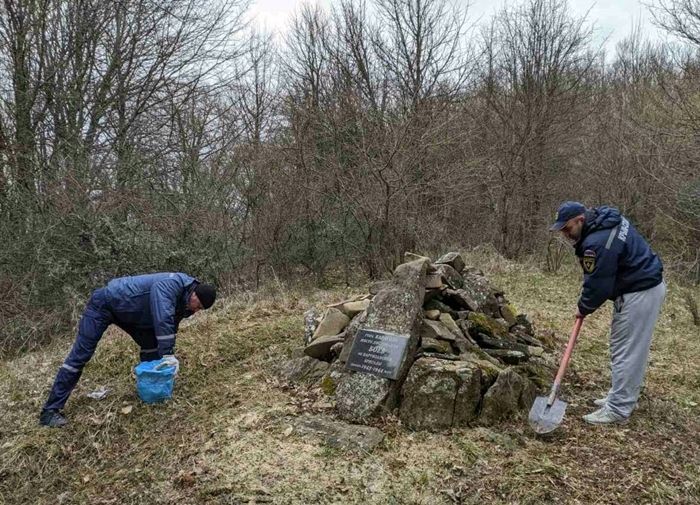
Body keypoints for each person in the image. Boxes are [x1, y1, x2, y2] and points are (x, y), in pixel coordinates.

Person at [39, 273, 216, 427]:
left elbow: (170, 326)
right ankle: (50, 410)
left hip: (133, 313)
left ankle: (151, 393)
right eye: (198, 305)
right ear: (194, 293)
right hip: (106, 303)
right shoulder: (170, 285)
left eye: (200, 309)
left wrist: (166, 355)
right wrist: (168, 354)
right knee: (80, 355)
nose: (196, 310)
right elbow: (163, 319)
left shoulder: (186, 302)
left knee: (151, 346)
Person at [550, 201, 666, 425]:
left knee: (627, 351)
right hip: (643, 285)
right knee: (623, 347)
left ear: (580, 220)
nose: (565, 234)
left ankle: (618, 409)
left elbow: (599, 285)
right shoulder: (606, 219)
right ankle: (619, 397)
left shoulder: (597, 242)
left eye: (567, 228)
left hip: (639, 292)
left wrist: (584, 307)